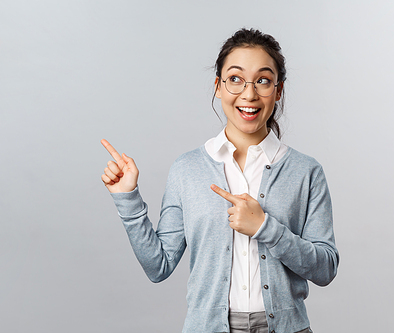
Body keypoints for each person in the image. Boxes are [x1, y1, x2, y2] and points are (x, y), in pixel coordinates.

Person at [101, 28, 339, 333]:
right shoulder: (187, 169)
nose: (249, 94)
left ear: (278, 90)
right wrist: (128, 198)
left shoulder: (306, 171)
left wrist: (265, 228)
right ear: (218, 86)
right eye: (235, 79)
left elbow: (326, 268)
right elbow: (158, 266)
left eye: (263, 80)